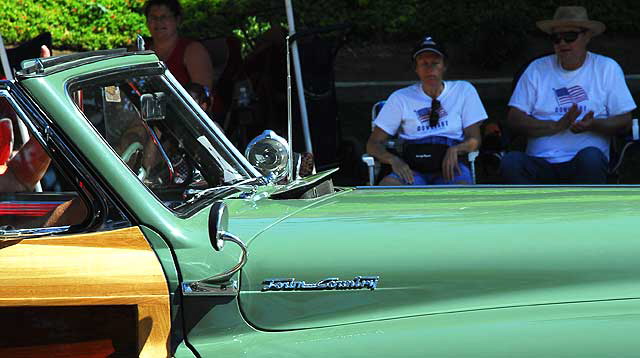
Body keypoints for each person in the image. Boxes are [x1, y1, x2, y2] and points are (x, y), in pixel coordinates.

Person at [500, 6, 637, 184]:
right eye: (556, 38)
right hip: (540, 163)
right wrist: (555, 126)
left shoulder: (606, 68)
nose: (562, 43)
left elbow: (624, 120)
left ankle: (584, 211)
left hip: (584, 162)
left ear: (587, 36)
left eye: (570, 37)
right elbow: (515, 118)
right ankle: (530, 211)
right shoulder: (536, 69)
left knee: (591, 158)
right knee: (511, 162)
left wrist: (592, 125)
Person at [366, 35, 486, 185]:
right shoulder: (401, 98)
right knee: (388, 187)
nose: (430, 69)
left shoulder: (463, 91)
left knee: (460, 193)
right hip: (412, 166)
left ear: (444, 66)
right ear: (416, 68)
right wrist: (394, 160)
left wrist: (457, 149)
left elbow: (474, 139)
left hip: (451, 166)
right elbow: (373, 143)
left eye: (435, 63)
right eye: (424, 63)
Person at [144, 0, 214, 92]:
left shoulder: (193, 50)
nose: (158, 22)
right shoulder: (141, 49)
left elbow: (203, 95)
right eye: (153, 17)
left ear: (177, 20)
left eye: (164, 17)